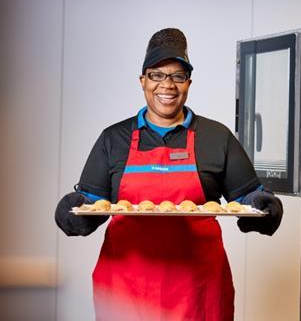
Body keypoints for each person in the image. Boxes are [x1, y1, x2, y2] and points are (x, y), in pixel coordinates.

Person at [55, 28, 283, 321]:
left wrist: (266, 205)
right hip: (125, 291)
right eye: (157, 75)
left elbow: (247, 196)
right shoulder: (114, 138)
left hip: (198, 291)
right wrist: (71, 212)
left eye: (177, 76)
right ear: (143, 81)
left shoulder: (216, 137)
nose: (168, 85)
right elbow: (91, 203)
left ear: (188, 83)